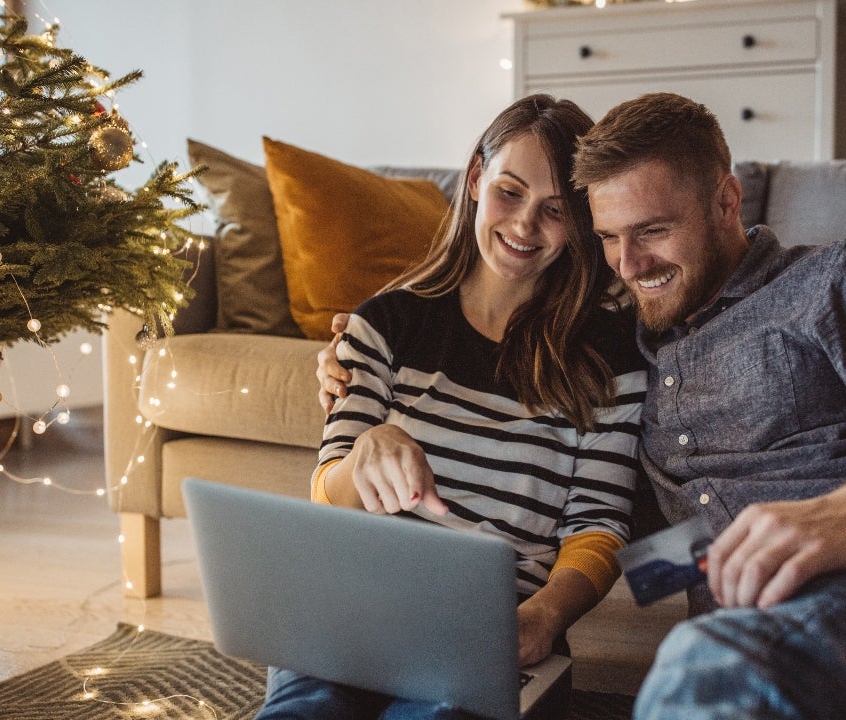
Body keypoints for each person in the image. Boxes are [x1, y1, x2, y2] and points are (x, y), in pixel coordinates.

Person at [320, 92, 846, 719]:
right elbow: (634, 541)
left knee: (704, 670)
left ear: (727, 201)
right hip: (769, 632)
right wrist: (547, 609)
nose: (631, 264)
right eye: (611, 239)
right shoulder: (638, 353)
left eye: (654, 231)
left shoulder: (839, 282)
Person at [258, 94, 647, 720]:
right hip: (352, 610)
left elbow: (597, 526)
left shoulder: (610, 358)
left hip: (496, 636)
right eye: (509, 192)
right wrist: (364, 454)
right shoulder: (385, 322)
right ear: (474, 180)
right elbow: (327, 495)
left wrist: (543, 617)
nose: (524, 226)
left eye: (554, 210)